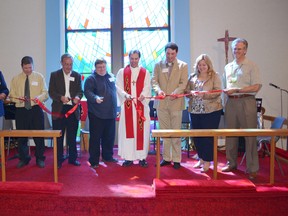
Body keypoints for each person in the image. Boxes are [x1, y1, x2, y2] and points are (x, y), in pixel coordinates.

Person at [222, 38, 262, 180]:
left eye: (239, 49)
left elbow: (257, 86)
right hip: (231, 103)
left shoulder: (252, 66)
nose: (236, 51)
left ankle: (252, 168)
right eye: (234, 49)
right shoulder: (228, 67)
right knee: (230, 135)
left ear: (245, 50)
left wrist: (238, 89)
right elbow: (225, 87)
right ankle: (231, 163)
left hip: (246, 101)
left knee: (250, 136)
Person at [151, 42, 188, 169]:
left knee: (176, 132)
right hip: (161, 103)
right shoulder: (158, 65)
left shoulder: (183, 66)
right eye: (168, 53)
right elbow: (154, 81)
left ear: (176, 53)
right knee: (164, 132)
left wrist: (176, 92)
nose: (170, 56)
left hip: (176, 103)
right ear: (165, 53)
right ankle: (166, 157)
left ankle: (177, 159)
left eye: (172, 53)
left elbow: (184, 83)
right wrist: (158, 90)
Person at [185, 54, 223, 172]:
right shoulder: (192, 77)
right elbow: (186, 91)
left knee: (207, 137)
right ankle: (201, 158)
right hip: (195, 111)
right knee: (197, 137)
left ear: (208, 65)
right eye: (199, 65)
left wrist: (204, 94)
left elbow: (218, 92)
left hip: (211, 111)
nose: (202, 67)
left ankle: (207, 161)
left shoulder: (214, 76)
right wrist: (191, 92)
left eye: (204, 65)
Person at [9, 56, 48, 168]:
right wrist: (18, 98)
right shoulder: (15, 79)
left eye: (30, 67)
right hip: (21, 110)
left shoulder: (39, 77)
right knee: (22, 136)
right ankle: (24, 158)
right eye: (25, 68)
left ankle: (40, 158)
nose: (28, 70)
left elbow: (45, 93)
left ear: (33, 65)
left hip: (36, 109)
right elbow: (11, 96)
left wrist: (38, 98)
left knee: (39, 135)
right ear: (22, 66)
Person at [116, 50, 151, 167]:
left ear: (139, 59)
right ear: (129, 58)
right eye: (132, 58)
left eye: (136, 58)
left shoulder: (145, 72)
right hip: (128, 106)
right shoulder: (122, 72)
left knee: (143, 132)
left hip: (141, 107)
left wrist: (143, 95)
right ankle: (128, 158)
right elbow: (118, 87)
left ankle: (142, 158)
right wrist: (125, 95)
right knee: (128, 132)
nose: (134, 61)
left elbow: (147, 87)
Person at [49, 54, 83, 169]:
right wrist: (60, 98)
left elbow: (80, 91)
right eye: (66, 64)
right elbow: (51, 92)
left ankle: (73, 158)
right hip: (59, 109)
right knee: (58, 136)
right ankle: (58, 159)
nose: (69, 67)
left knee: (72, 136)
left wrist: (78, 97)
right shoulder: (54, 75)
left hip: (72, 109)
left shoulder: (77, 76)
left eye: (70, 64)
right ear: (61, 63)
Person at [84, 58, 118, 168]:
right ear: (95, 68)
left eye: (104, 67)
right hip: (96, 114)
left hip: (110, 113)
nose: (102, 69)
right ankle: (94, 161)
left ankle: (107, 156)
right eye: (99, 67)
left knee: (109, 137)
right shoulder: (91, 79)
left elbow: (116, 92)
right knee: (95, 138)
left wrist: (118, 109)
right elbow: (88, 92)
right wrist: (95, 98)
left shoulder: (111, 76)